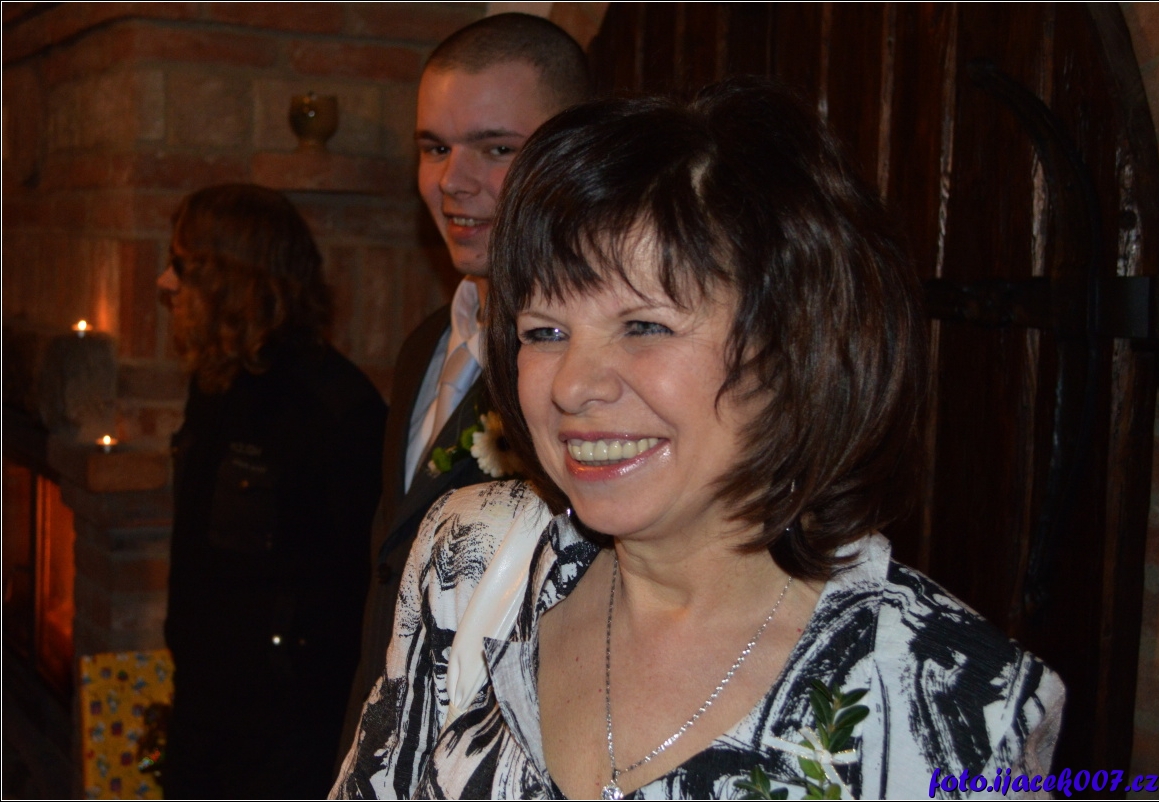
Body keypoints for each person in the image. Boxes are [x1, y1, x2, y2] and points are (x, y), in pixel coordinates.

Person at [332, 81, 1066, 800]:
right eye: (545, 332)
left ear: (791, 346)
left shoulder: (956, 704)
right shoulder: (469, 563)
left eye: (644, 326)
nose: (572, 385)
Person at [338, 12, 590, 753]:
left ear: (572, 153)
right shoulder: (426, 344)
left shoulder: (593, 373)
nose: (453, 180)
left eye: (497, 148)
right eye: (435, 148)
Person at [159, 184, 386, 798]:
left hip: (285, 742)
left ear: (230, 275)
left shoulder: (336, 408)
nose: (165, 282)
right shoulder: (215, 383)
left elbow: (357, 593)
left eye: (180, 265)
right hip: (202, 711)